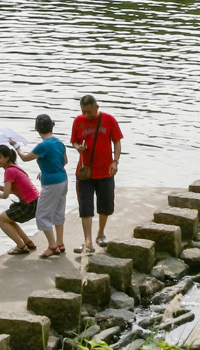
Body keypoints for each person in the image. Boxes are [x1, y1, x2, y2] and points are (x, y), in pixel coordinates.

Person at [71, 95, 123, 253]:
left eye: (89, 111)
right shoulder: (78, 121)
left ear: (96, 106)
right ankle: (88, 242)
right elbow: (73, 140)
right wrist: (77, 147)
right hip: (85, 172)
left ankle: (100, 233)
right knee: (85, 207)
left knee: (105, 205)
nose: (86, 114)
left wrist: (115, 161)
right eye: (83, 111)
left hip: (105, 171)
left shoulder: (109, 120)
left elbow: (117, 141)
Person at [19, 113, 71, 257]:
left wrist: (16, 147)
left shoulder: (43, 146)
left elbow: (24, 158)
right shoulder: (59, 142)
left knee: (42, 216)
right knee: (58, 212)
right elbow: (64, 161)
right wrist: (45, 170)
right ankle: (60, 242)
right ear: (51, 126)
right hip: (63, 180)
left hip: (52, 184)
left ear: (37, 128)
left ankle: (52, 246)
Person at [0, 146, 39, 256]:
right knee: (8, 219)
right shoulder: (14, 167)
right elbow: (11, 190)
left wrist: (0, 196)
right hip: (35, 202)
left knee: (0, 219)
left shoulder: (9, 171)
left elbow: (6, 194)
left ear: (7, 157)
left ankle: (21, 246)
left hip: (30, 204)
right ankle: (28, 242)